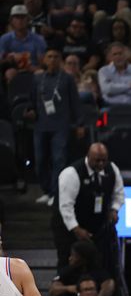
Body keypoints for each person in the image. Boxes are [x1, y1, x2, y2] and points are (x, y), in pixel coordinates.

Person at [52, 143, 124, 269]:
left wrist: (114, 209)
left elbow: (119, 194)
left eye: (104, 160)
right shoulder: (71, 174)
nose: (101, 164)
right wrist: (76, 229)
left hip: (97, 228)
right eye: (97, 160)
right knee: (69, 264)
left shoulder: (112, 169)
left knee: (101, 264)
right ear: (88, 156)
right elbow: (65, 206)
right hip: (69, 229)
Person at [27, 48, 81, 207]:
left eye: (56, 57)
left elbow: (75, 103)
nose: (52, 59)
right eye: (49, 57)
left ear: (61, 60)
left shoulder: (67, 79)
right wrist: (29, 111)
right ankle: (47, 191)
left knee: (59, 160)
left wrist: (80, 124)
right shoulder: (37, 79)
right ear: (44, 60)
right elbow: (31, 101)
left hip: (61, 126)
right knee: (40, 161)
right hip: (41, 125)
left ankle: (56, 194)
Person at [49, 239, 114, 296]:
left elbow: (109, 284)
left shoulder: (97, 271)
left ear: (83, 258)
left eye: (74, 255)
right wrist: (68, 288)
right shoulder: (68, 271)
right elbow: (53, 290)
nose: (70, 258)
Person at [0, 5, 47, 83]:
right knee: (10, 73)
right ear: (11, 20)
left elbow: (43, 63)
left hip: (32, 69)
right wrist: (10, 59)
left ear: (28, 20)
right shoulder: (4, 39)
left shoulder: (38, 39)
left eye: (22, 17)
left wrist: (31, 67)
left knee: (41, 73)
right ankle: (11, 95)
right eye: (17, 17)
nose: (20, 20)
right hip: (13, 69)